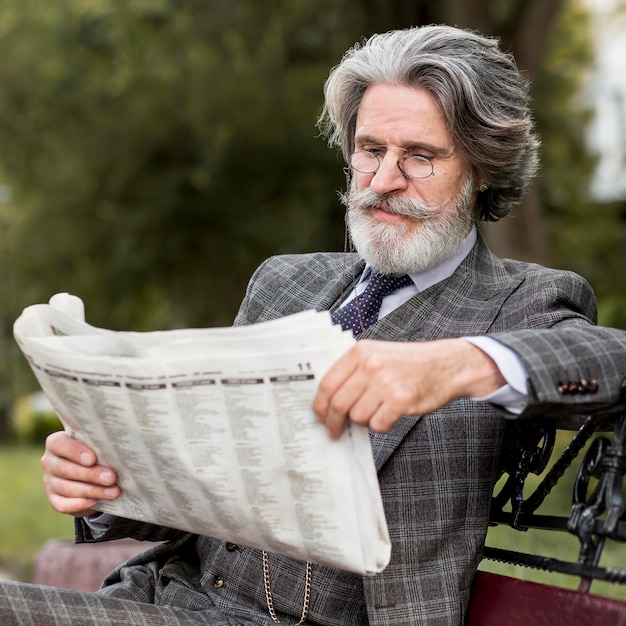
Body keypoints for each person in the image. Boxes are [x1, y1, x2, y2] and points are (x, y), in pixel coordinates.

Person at [2, 24, 626, 626]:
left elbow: (611, 358)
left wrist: (462, 362)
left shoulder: (520, 302)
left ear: (484, 166)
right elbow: (194, 492)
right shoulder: (284, 282)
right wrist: (103, 485)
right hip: (157, 596)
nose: (383, 182)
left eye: (420, 157)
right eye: (370, 150)